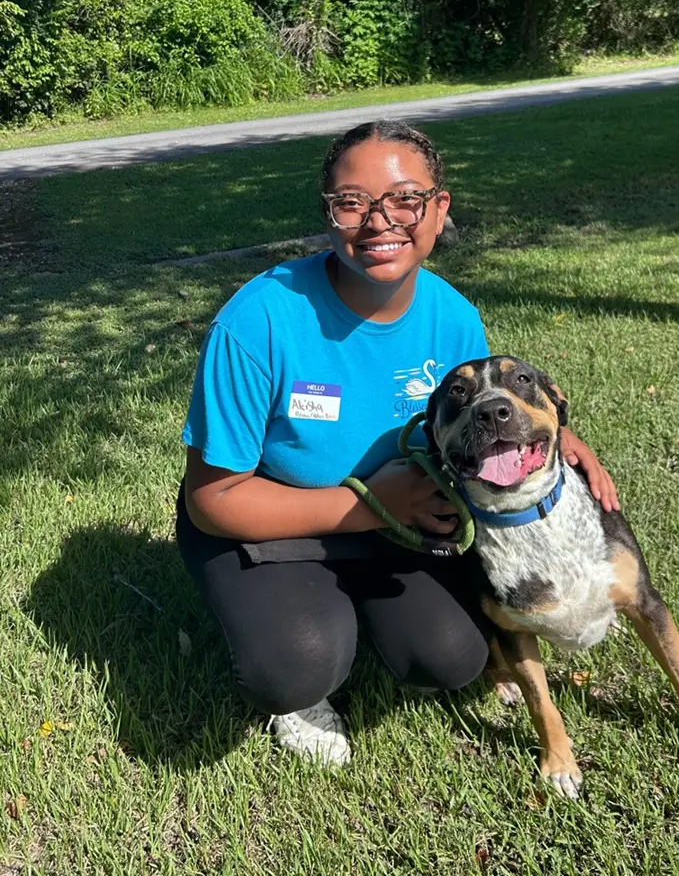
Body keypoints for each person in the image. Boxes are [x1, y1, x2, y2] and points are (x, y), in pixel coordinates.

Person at [176, 120, 619, 766]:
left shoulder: (451, 315)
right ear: (329, 215)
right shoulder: (261, 319)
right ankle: (303, 687)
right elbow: (212, 499)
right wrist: (371, 503)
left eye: (406, 199)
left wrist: (565, 432)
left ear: (439, 208)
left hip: (397, 520)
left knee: (450, 656)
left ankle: (353, 608)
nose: (379, 221)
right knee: (297, 663)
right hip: (264, 523)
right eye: (351, 202)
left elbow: (487, 406)